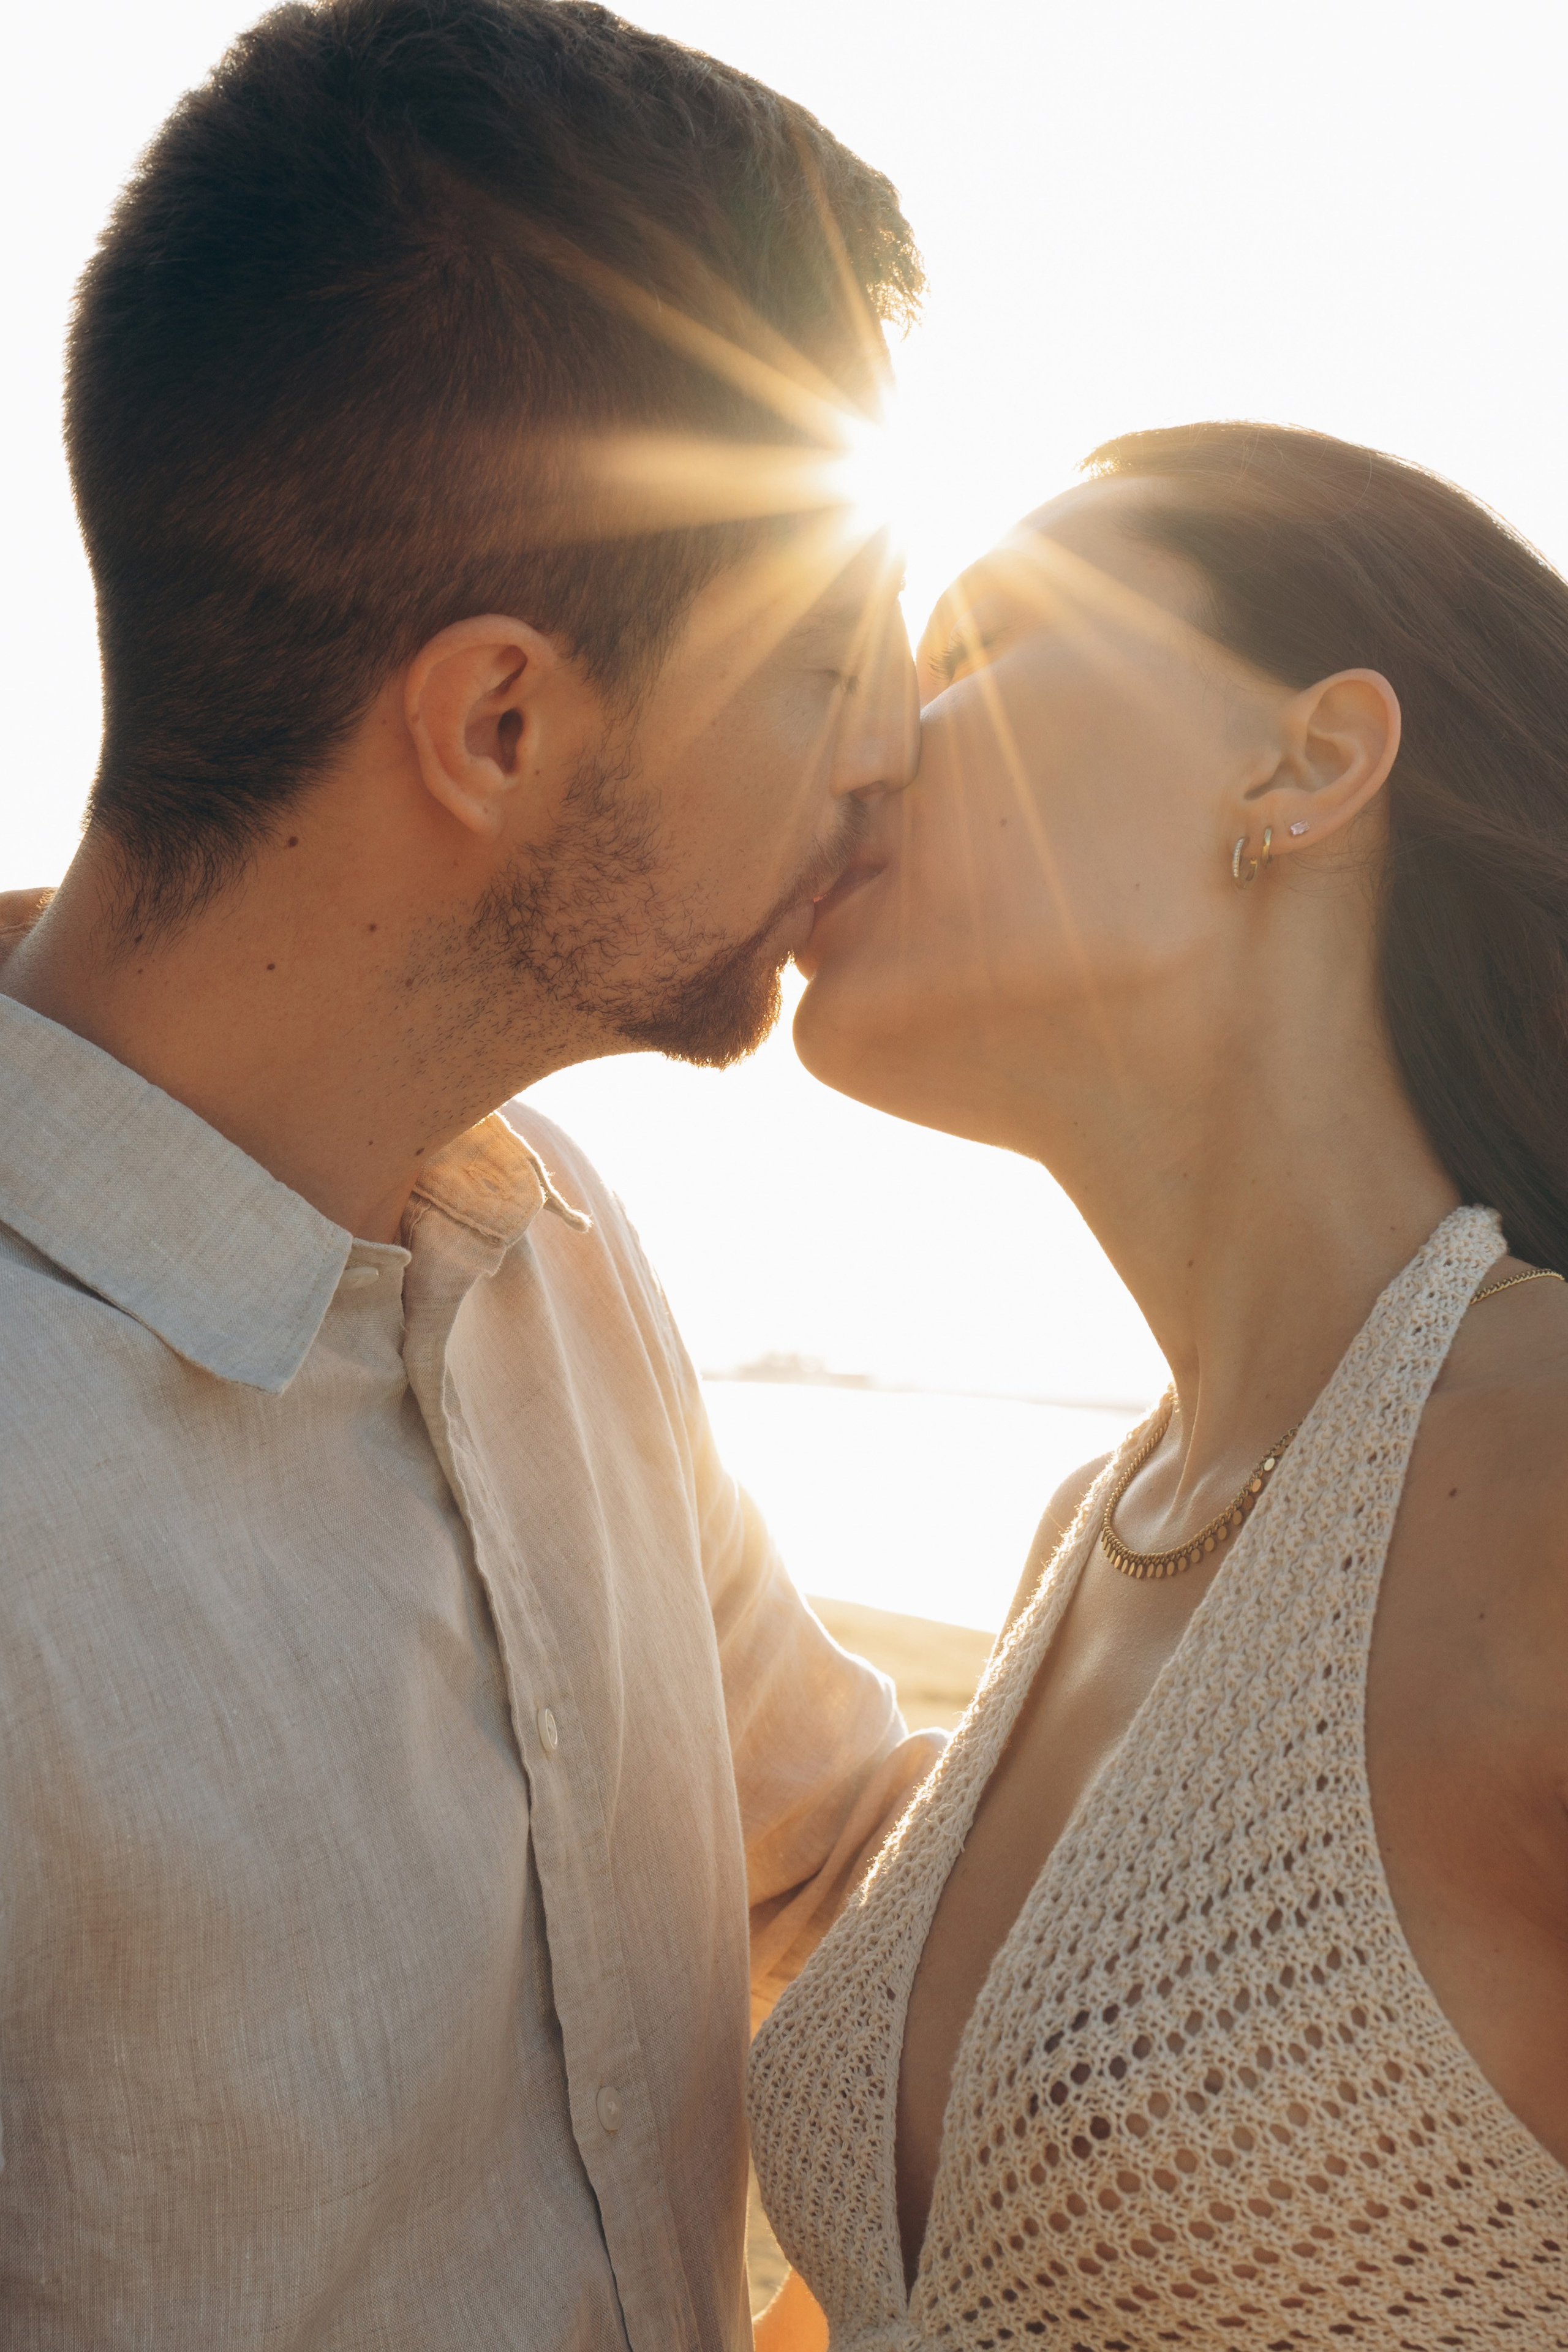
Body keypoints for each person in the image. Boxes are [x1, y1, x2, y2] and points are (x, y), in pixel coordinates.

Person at [0, 2, 944, 2343]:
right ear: (501, 723)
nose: (903, 737)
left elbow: (844, 1840)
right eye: (829, 650)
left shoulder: (555, 1250)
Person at [748, 421, 1568, 2349]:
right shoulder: (1095, 1536)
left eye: (965, 657)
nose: (868, 738)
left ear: (1306, 762)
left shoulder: (1548, 1485)